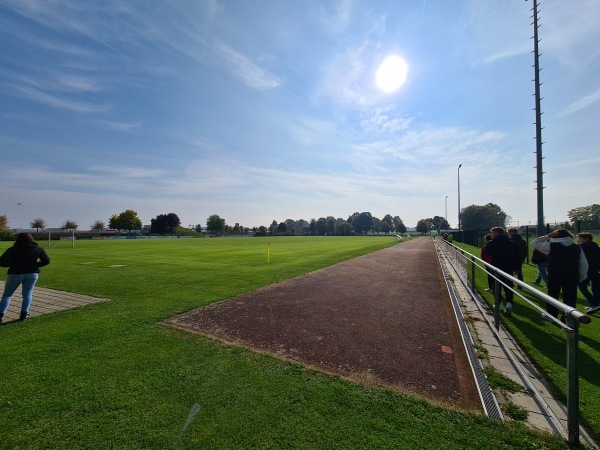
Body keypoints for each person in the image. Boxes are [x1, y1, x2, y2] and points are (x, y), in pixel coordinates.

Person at [532, 229, 588, 320]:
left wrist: (548, 235)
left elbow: (535, 242)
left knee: (553, 295)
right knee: (570, 297)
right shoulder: (577, 247)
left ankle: (551, 315)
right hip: (571, 275)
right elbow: (584, 264)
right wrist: (581, 276)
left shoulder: (552, 246)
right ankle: (569, 318)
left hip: (555, 275)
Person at [0, 233, 51, 323]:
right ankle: (24, 314)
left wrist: (11, 264)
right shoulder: (38, 249)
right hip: (32, 274)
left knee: (7, 295)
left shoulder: (12, 249)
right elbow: (46, 261)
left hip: (15, 273)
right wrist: (35, 265)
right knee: (27, 294)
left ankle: (0, 315)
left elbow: (2, 262)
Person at [485, 227, 520, 316]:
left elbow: (488, 253)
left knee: (496, 286)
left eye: (492, 232)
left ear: (497, 233)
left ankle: (498, 304)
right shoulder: (511, 243)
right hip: (508, 268)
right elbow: (517, 256)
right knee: (508, 286)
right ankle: (509, 304)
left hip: (496, 268)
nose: (491, 234)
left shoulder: (491, 243)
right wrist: (517, 268)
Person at [576, 232, 600, 314]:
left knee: (582, 286)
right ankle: (594, 304)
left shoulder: (581, 247)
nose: (578, 240)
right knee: (596, 288)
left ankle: (594, 304)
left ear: (586, 239)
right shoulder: (595, 246)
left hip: (586, 270)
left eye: (580, 238)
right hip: (596, 270)